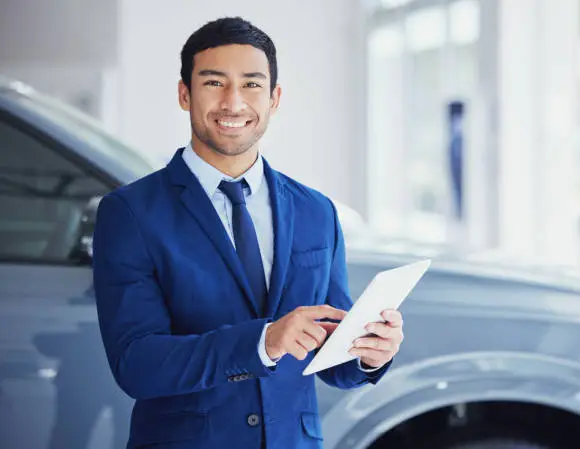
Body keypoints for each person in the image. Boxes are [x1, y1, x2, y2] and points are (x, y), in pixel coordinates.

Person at [93, 16, 404, 449]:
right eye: (214, 83)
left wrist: (370, 354)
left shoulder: (317, 211)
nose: (233, 102)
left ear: (275, 98)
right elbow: (137, 364)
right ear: (185, 94)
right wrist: (264, 341)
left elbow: (333, 356)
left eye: (252, 84)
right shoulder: (129, 213)